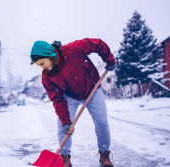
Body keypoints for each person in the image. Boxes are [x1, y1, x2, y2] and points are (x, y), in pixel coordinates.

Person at [30, 38, 116, 167]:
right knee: (62, 127)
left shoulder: (73, 49)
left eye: (42, 63)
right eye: (39, 65)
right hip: (70, 96)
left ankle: (104, 155)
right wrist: (66, 121)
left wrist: (109, 59)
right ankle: (64, 157)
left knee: (102, 123)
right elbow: (57, 99)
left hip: (93, 89)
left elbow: (97, 43)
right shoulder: (47, 76)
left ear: (50, 55)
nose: (43, 67)